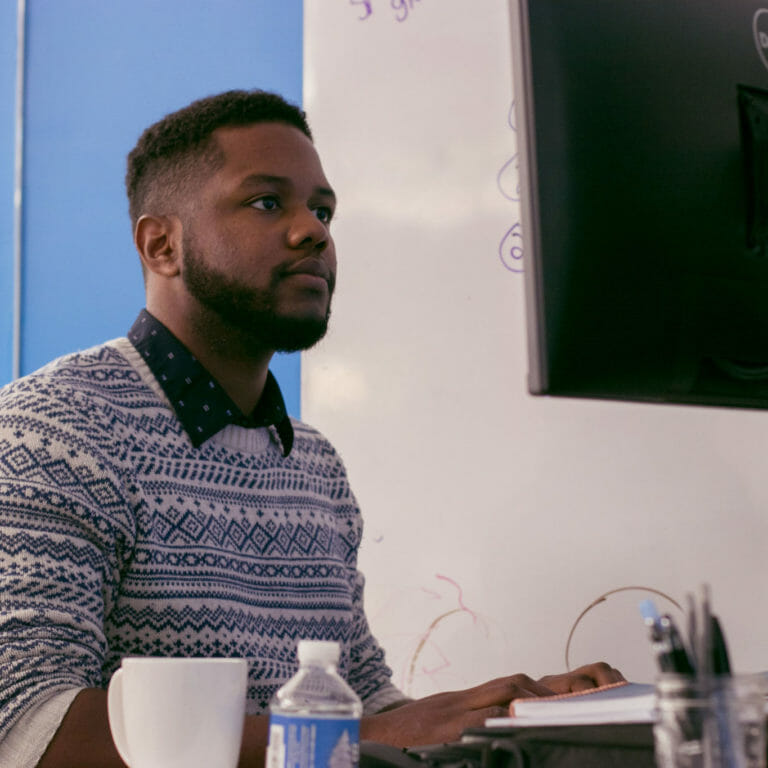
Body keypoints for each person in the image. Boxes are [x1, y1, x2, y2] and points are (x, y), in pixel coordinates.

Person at [0, 89, 622, 768]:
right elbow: (33, 725)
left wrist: (509, 713)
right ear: (162, 244)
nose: (314, 232)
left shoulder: (314, 465)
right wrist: (373, 734)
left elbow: (363, 706)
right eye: (268, 202)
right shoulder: (51, 432)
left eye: (322, 210)